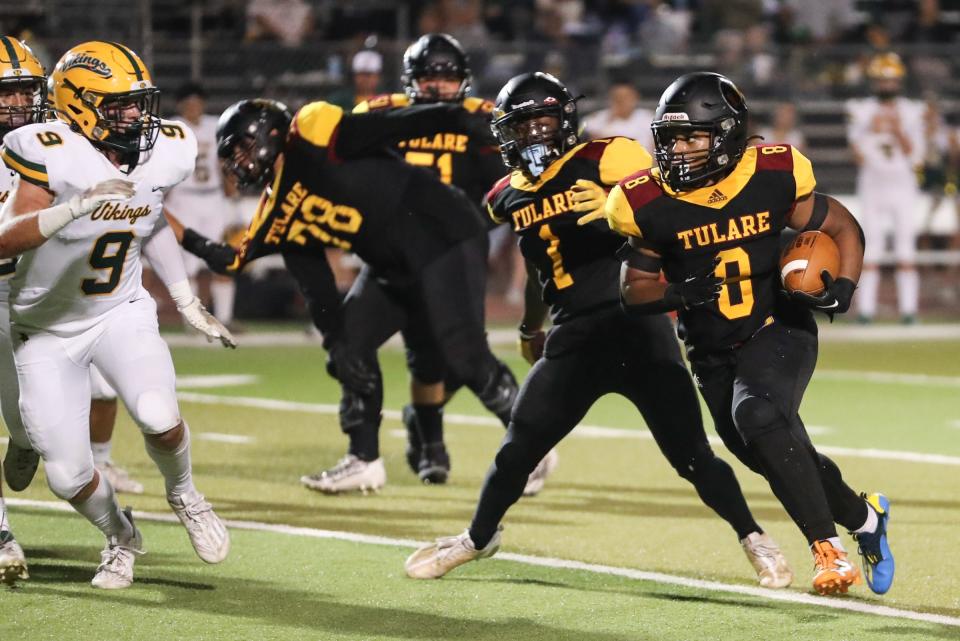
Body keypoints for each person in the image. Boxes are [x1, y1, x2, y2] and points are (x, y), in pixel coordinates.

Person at [403, 72, 793, 590]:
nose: (535, 135)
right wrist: (529, 325)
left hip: (636, 325)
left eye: (543, 121)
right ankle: (477, 537)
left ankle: (755, 538)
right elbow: (540, 265)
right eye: (522, 126)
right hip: (574, 336)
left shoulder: (608, 159)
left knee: (692, 455)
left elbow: (668, 207)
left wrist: (617, 209)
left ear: (566, 122)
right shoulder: (506, 195)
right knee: (518, 448)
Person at [584, 72, 893, 596]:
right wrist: (677, 295)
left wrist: (843, 285)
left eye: (691, 138)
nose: (677, 151)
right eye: (671, 138)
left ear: (727, 135)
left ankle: (828, 551)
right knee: (772, 452)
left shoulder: (771, 174)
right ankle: (865, 520)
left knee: (758, 414)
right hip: (710, 350)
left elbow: (842, 226)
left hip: (779, 326)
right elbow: (633, 290)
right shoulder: (647, 200)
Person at [189, 96, 518, 495]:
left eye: (241, 147)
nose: (238, 161)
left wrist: (451, 117)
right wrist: (336, 341)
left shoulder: (311, 132)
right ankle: (364, 460)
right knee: (350, 345)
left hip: (442, 235)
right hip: (392, 265)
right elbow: (315, 285)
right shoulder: (276, 209)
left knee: (463, 355)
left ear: (269, 133)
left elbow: (392, 126)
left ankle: (528, 444)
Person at [0, 41, 233, 589]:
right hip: (41, 329)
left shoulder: (166, 148)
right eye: (121, 105)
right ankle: (121, 535)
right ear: (79, 105)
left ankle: (185, 495)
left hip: (118, 312)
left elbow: (148, 219)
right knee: (67, 475)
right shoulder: (45, 150)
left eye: (138, 103)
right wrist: (75, 207)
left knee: (157, 415)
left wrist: (185, 299)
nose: (137, 116)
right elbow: (5, 237)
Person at [352, 33, 551, 491]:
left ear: (463, 81)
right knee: (419, 354)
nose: (440, 86)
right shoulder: (383, 115)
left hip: (454, 252)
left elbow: (521, 177)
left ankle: (528, 443)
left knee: (463, 355)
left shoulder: (483, 120)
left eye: (448, 77)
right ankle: (428, 446)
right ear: (411, 80)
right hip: (396, 252)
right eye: (429, 76)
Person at [0, 35, 43, 586]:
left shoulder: (50, 146)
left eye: (24, 91)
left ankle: (25, 437)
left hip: (28, 299)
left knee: (36, 425)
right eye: (5, 92)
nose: (17, 104)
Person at [846, 53, 926, 324]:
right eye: (882, 80)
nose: (887, 86)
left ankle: (909, 311)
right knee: (872, 248)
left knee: (906, 248)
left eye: (891, 80)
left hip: (903, 184)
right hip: (872, 183)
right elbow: (856, 154)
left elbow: (916, 156)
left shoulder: (912, 109)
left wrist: (897, 129)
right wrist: (871, 128)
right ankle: (866, 311)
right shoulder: (861, 109)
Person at [164, 82, 240, 330]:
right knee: (188, 265)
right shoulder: (171, 128)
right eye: (189, 103)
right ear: (180, 105)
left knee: (223, 258)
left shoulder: (214, 125)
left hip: (213, 198)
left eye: (197, 102)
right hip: (183, 198)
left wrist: (231, 192)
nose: (194, 107)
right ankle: (193, 321)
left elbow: (225, 161)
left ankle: (225, 318)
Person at [582, 80, 654, 151]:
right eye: (617, 96)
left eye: (626, 97)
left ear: (636, 97)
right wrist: (610, 120)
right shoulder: (595, 119)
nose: (621, 100)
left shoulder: (649, 119)